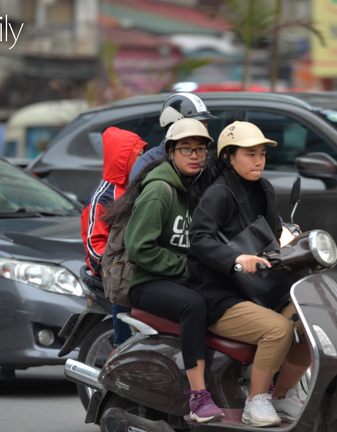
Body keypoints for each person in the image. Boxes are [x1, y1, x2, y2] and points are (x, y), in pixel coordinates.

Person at [188, 121, 311, 427]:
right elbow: (199, 239)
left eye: (262, 154)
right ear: (229, 157)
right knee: (279, 329)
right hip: (222, 295)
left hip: (261, 288)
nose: (258, 160)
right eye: (250, 153)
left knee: (309, 324)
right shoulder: (219, 194)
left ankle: (281, 397)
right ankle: (255, 402)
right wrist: (236, 259)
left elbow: (270, 237)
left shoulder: (263, 188)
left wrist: (292, 244)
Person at [103, 118, 224, 423]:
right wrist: (187, 269)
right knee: (193, 304)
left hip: (177, 277)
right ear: (171, 152)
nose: (195, 156)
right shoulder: (160, 189)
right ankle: (198, 396)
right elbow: (140, 248)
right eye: (187, 149)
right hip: (148, 281)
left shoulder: (195, 187)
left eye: (200, 150)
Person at [81, 127, 147, 347]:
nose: (142, 160)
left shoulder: (137, 188)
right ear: (122, 158)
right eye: (138, 155)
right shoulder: (102, 197)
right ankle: (122, 345)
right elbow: (93, 243)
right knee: (124, 278)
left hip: (134, 258)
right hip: (108, 264)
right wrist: (115, 262)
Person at [129, 93, 215, 183]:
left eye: (204, 124)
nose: (201, 130)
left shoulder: (206, 161)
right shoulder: (148, 163)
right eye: (195, 124)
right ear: (171, 126)